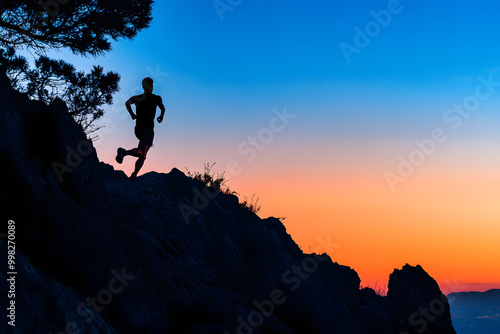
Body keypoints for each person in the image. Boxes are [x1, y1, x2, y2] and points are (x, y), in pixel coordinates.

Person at [115, 77, 165, 180]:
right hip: (148, 130)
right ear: (152, 87)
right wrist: (161, 116)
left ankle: (134, 174)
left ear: (143, 86)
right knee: (143, 153)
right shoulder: (156, 98)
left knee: (142, 153)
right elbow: (163, 108)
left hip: (138, 129)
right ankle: (124, 152)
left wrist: (132, 114)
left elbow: (127, 103)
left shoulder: (138, 97)